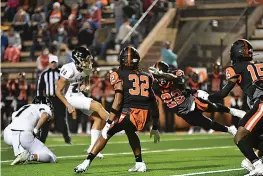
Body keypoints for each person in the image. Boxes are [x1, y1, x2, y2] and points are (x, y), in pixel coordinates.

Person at [74, 46, 160, 173]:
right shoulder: (147, 76)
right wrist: (155, 126)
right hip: (143, 116)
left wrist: (109, 121)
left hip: (128, 113)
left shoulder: (117, 74)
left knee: (105, 133)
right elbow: (154, 102)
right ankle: (140, 163)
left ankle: (86, 162)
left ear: (122, 60)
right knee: (131, 132)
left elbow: (118, 99)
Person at [206, 39, 263, 175]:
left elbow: (223, 93)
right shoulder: (259, 65)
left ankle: (258, 165)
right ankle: (252, 161)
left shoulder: (235, 68)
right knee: (254, 138)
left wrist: (208, 97)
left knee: (239, 136)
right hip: (259, 103)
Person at [149, 61, 245, 136]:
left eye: (159, 76)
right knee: (208, 124)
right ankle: (229, 130)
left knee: (213, 107)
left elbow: (179, 78)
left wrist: (165, 76)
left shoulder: (175, 75)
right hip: (182, 112)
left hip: (190, 101)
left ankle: (232, 111)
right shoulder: (155, 85)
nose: (158, 79)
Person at [55, 46, 110, 159]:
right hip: (70, 97)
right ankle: (114, 124)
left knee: (98, 119)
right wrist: (68, 105)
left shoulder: (86, 68)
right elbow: (58, 91)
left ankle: (92, 148)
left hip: (79, 95)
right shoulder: (68, 69)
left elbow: (86, 76)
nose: (87, 62)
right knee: (98, 106)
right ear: (77, 60)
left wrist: (86, 84)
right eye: (85, 60)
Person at [3, 96, 56, 165]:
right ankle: (30, 156)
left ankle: (21, 151)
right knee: (52, 157)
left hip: (7, 135)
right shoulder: (41, 106)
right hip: (23, 134)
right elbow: (45, 115)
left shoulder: (24, 107)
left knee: (23, 141)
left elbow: (14, 116)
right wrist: (36, 130)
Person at [37, 56, 71, 144]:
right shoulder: (44, 74)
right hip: (48, 99)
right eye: (52, 62)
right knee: (46, 120)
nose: (53, 64)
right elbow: (40, 88)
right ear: (49, 63)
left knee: (61, 119)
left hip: (59, 98)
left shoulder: (61, 73)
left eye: (55, 62)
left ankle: (67, 139)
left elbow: (68, 84)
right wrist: (41, 100)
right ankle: (42, 141)